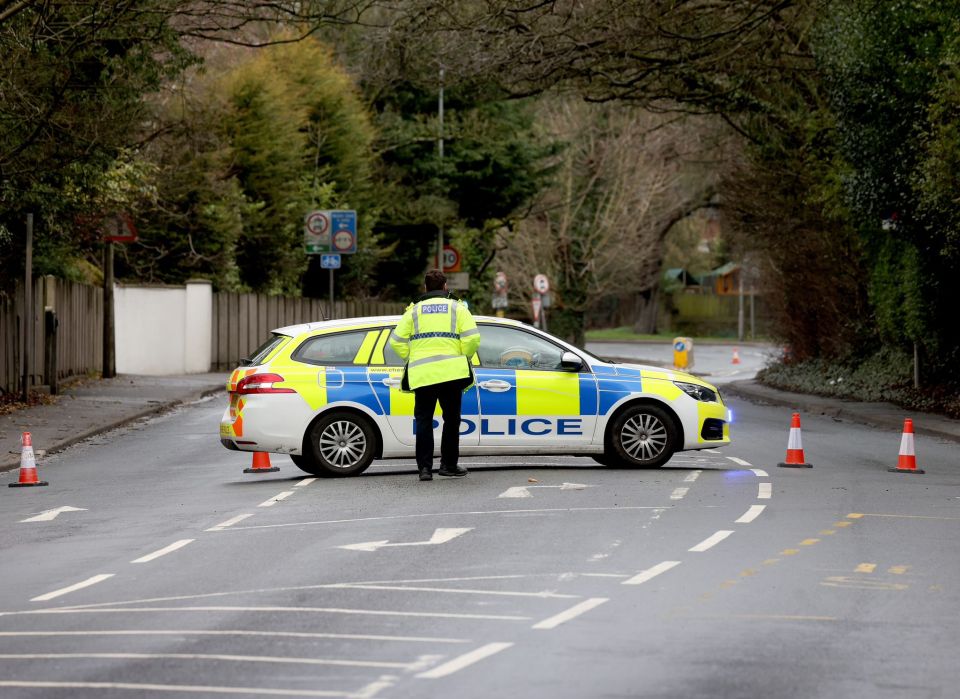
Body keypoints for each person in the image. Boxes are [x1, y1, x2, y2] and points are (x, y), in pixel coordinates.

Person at [390, 270, 481, 481]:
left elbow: (396, 340)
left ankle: (424, 469)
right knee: (451, 421)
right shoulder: (458, 308)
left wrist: (412, 357)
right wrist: (462, 356)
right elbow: (473, 339)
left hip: (423, 375)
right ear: (446, 286)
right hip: (452, 374)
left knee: (423, 421)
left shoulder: (413, 310)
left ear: (425, 287)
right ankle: (448, 465)